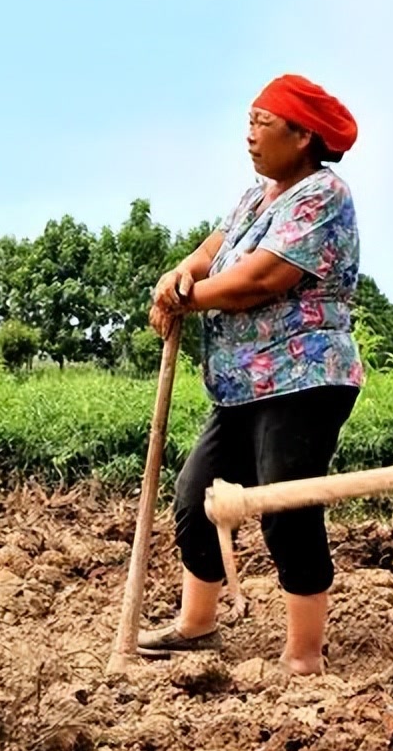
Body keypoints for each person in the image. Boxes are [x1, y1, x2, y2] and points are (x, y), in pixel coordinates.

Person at [138, 74, 364, 675]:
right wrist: (180, 275)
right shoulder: (253, 197)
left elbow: (262, 278)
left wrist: (190, 299)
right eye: (249, 122)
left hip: (305, 378)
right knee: (195, 498)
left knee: (285, 502)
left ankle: (304, 653)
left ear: (303, 135)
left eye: (263, 123)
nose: (250, 136)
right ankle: (197, 623)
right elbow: (216, 250)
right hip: (241, 383)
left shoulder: (323, 195)